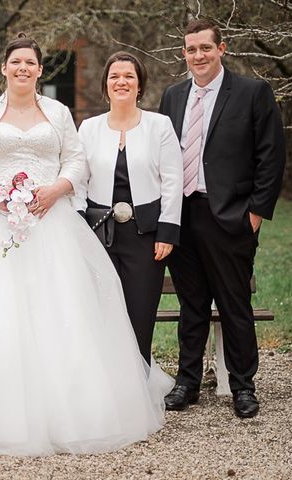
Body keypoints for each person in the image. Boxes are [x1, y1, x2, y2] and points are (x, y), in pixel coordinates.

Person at [0, 34, 174, 457]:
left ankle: (72, 412)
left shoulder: (58, 112)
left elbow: (76, 161)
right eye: (16, 61)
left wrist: (55, 190)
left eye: (31, 63)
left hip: (49, 221)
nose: (23, 68)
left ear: (40, 70)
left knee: (61, 308)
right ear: (4, 68)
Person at [159, 19, 286, 418]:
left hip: (230, 215)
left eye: (205, 48)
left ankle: (243, 386)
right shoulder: (173, 96)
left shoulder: (252, 92)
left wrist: (255, 214)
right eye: (191, 49)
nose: (198, 56)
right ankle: (187, 382)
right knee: (192, 303)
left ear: (221, 49)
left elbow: (271, 156)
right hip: (182, 214)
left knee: (234, 304)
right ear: (184, 53)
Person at [78, 51, 182, 365]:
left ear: (139, 86)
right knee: (102, 314)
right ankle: (104, 386)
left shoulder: (159, 126)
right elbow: (78, 181)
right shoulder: (89, 128)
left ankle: (140, 384)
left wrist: (168, 230)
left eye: (129, 77)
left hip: (147, 236)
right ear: (105, 86)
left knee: (139, 314)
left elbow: (173, 180)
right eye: (114, 76)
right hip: (99, 235)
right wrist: (79, 228)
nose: (121, 82)